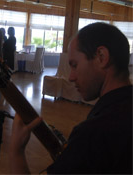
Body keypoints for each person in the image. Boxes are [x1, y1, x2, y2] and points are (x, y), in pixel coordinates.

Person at [9, 22, 132, 174]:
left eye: (74, 65)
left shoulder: (93, 134)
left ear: (101, 57)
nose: (71, 77)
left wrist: (16, 151)